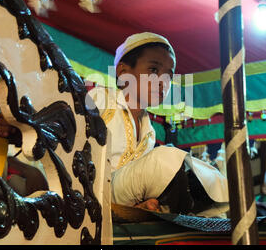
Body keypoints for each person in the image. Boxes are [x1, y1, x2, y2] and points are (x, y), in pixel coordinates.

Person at [88, 32, 229, 216]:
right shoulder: (101, 99)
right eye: (154, 70)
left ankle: (216, 209)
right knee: (166, 157)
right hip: (93, 191)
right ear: (123, 72)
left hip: (124, 200)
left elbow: (141, 182)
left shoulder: (150, 132)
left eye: (169, 76)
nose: (163, 82)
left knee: (195, 170)